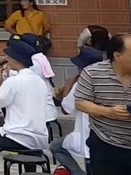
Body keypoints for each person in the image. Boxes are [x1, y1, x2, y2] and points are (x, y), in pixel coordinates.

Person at [0, 39, 51, 175]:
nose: (6, 59)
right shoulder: (39, 81)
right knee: (27, 150)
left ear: (15, 59)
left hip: (18, 135)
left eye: (8, 56)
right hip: (39, 137)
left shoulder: (14, 81)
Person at [72, 33, 131, 175]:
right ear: (117, 56)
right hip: (106, 144)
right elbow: (81, 103)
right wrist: (108, 112)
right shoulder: (92, 73)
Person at [49, 46, 102, 175]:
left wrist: (69, 85)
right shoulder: (106, 80)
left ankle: (78, 172)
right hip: (104, 138)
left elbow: (66, 108)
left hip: (85, 135)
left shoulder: (81, 83)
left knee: (55, 146)